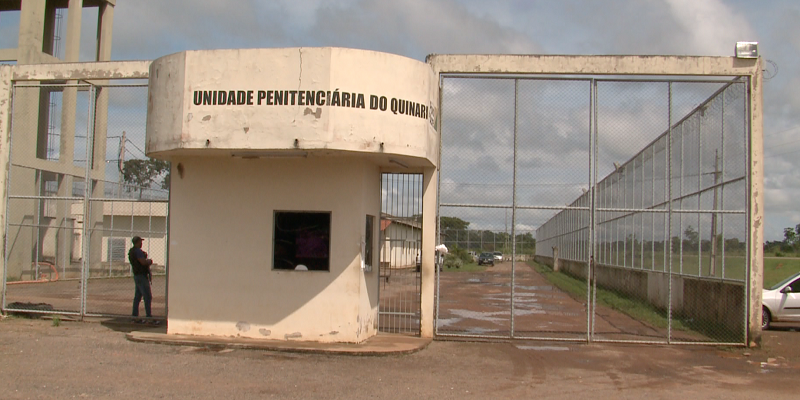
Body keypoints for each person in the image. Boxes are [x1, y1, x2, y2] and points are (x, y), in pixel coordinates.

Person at [129, 236, 158, 325]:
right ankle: (148, 317)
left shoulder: (132, 251)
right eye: (140, 242)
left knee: (137, 297)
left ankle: (134, 317)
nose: (141, 243)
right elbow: (143, 262)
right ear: (137, 242)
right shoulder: (137, 251)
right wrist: (149, 261)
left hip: (137, 275)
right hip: (141, 276)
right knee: (147, 296)